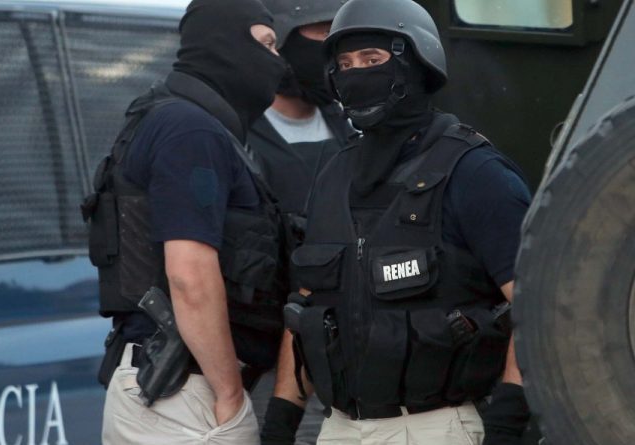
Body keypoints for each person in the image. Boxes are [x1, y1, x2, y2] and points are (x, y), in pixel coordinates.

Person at [273, 0, 533, 444]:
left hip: (437, 425)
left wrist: (506, 426)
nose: (356, 73)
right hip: (339, 429)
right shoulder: (334, 175)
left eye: (372, 59)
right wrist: (279, 426)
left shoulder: (475, 172)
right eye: (345, 64)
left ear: (416, 62)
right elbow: (305, 310)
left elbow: (535, 309)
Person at [80, 1, 289, 443]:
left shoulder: (174, 118)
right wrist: (229, 393)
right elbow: (189, 275)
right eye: (267, 44)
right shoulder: (190, 130)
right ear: (225, 45)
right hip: (184, 393)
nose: (278, 61)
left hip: (177, 389)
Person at [245, 1, 354, 444]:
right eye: (320, 32)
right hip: (264, 364)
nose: (332, 46)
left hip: (344, 360)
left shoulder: (351, 128)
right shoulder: (238, 134)